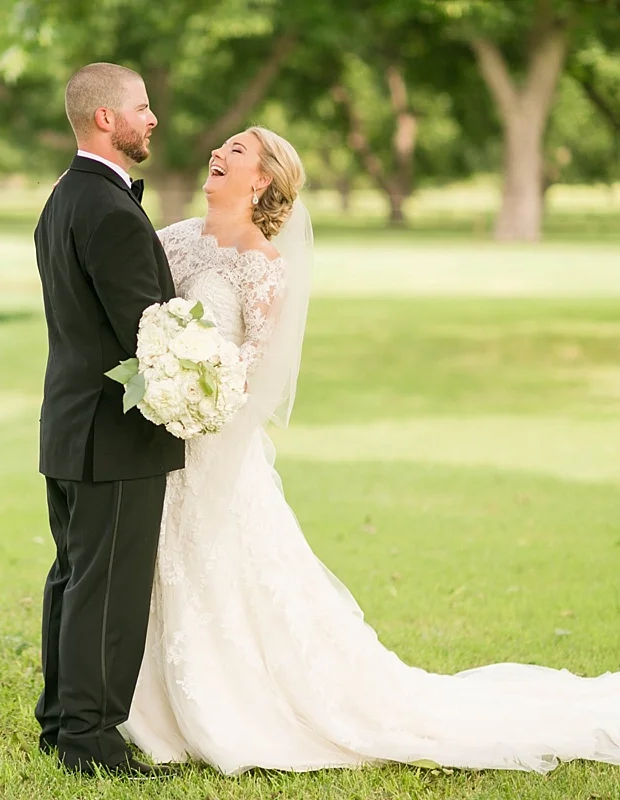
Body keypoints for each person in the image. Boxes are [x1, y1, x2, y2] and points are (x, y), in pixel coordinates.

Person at [120, 125, 620, 773]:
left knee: (218, 567)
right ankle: (149, 699)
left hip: (213, 448)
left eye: (236, 151)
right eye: (222, 147)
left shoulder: (262, 265)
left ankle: (224, 706)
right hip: (158, 436)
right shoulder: (174, 238)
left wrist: (198, 397)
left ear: (263, 179)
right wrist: (163, 375)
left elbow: (257, 370)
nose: (217, 153)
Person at [32, 62, 184, 778]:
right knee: (108, 589)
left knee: (73, 578)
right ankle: (89, 741)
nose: (152, 118)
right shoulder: (111, 210)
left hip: (70, 425)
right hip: (115, 433)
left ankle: (61, 721)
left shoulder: (65, 197)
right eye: (141, 107)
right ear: (105, 118)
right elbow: (146, 337)